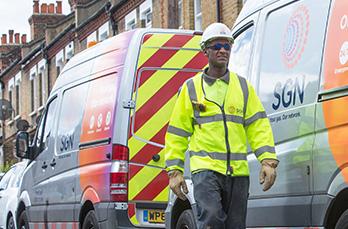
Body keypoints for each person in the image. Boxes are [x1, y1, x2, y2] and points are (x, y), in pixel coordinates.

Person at [164, 22, 279, 229]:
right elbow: (177, 133)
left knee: (236, 226)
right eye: (217, 46)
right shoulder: (191, 89)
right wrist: (175, 171)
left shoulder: (243, 87)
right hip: (206, 172)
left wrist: (267, 161)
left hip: (238, 173)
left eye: (227, 46)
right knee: (212, 221)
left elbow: (258, 125)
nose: (223, 50)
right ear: (205, 50)